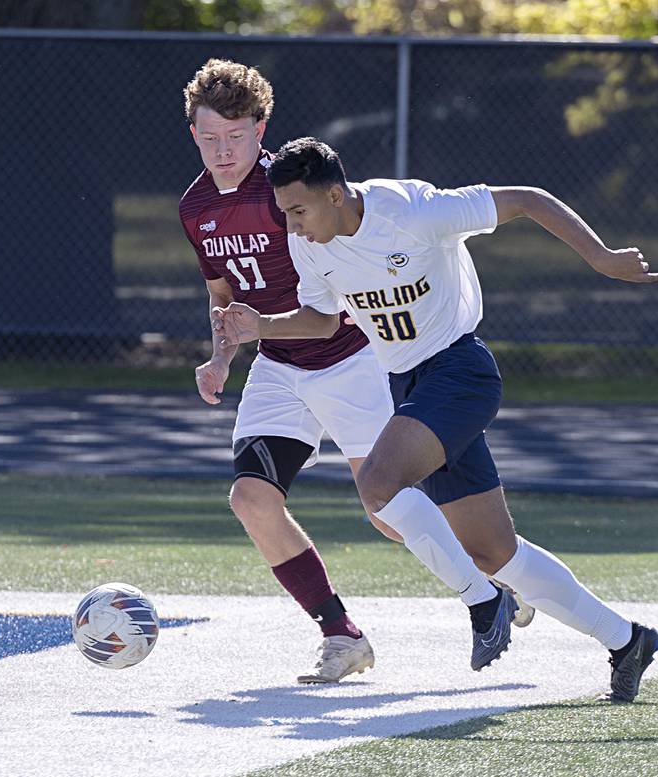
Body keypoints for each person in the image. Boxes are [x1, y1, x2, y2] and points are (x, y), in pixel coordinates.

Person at [214, 136, 658, 702]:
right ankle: (627, 642)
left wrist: (601, 257)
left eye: (299, 211)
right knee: (496, 551)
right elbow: (323, 321)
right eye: (284, 213)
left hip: (460, 371)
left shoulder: (411, 210)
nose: (292, 226)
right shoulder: (310, 243)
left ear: (336, 194)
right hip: (410, 385)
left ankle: (483, 599)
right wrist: (261, 326)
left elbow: (525, 198)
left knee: (377, 482)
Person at [179, 59, 389, 685]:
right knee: (251, 499)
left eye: (236, 137)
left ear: (261, 129)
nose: (223, 150)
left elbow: (328, 313)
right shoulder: (194, 208)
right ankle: (341, 635)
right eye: (210, 137)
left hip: (349, 360)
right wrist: (220, 356)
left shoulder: (286, 191)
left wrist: (256, 330)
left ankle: (495, 574)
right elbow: (223, 294)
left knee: (391, 512)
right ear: (193, 133)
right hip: (279, 366)